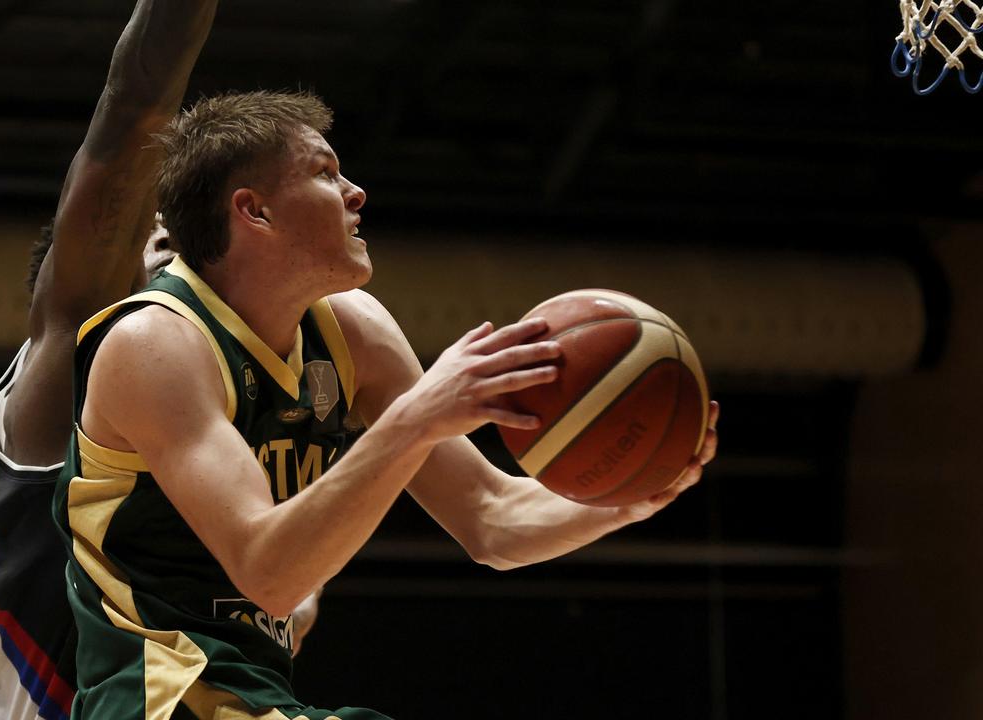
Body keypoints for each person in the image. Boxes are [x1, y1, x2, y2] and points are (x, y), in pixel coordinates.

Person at [54, 91, 720, 719]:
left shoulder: (352, 330)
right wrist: (416, 418)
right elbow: (271, 574)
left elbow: (492, 519)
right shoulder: (155, 341)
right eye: (325, 172)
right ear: (254, 211)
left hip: (251, 695)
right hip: (165, 695)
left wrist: (628, 497)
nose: (355, 192)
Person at [0, 3, 220, 719]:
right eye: (157, 242)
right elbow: (136, 108)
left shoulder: (205, 422)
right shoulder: (70, 348)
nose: (182, 265)